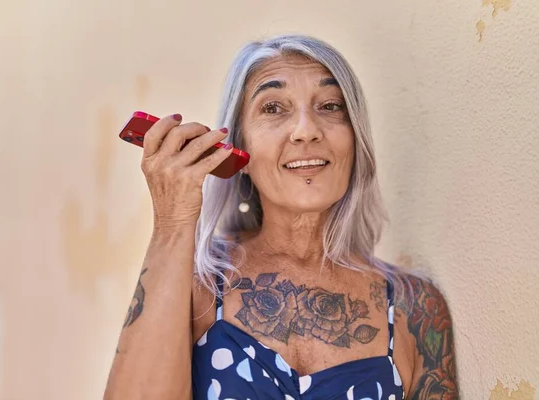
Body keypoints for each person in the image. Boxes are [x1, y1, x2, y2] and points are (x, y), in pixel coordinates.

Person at [103, 34, 458, 399]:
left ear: (355, 140)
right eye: (273, 108)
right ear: (238, 149)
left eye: (331, 106)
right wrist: (173, 221)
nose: (306, 131)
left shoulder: (414, 306)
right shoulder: (199, 286)